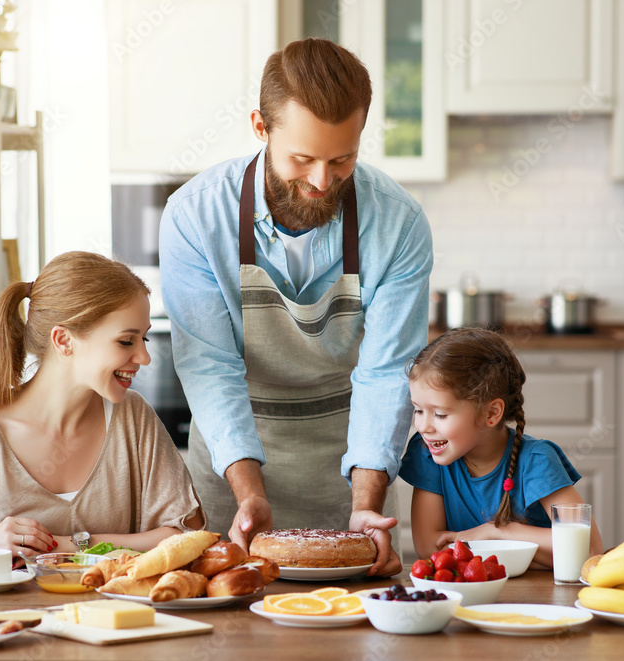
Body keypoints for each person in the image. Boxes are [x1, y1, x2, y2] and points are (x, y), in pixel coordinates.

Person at [159, 38, 432, 576]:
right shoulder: (194, 217)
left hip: (352, 473)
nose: (322, 181)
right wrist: (248, 493)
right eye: (302, 159)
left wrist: (365, 505)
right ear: (261, 127)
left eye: (342, 159)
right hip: (233, 475)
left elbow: (385, 375)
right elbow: (211, 367)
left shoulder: (398, 222)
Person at [0, 252, 205, 566]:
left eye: (144, 338)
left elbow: (186, 536)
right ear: (64, 340)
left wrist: (74, 544)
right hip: (11, 617)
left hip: (110, 614)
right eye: (126, 341)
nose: (145, 358)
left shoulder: (132, 418)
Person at [399, 327, 604, 569]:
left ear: (491, 413)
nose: (422, 426)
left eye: (440, 414)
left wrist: (496, 532)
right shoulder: (427, 455)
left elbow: (589, 550)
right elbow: (430, 548)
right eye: (418, 410)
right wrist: (537, 550)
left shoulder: (537, 461)